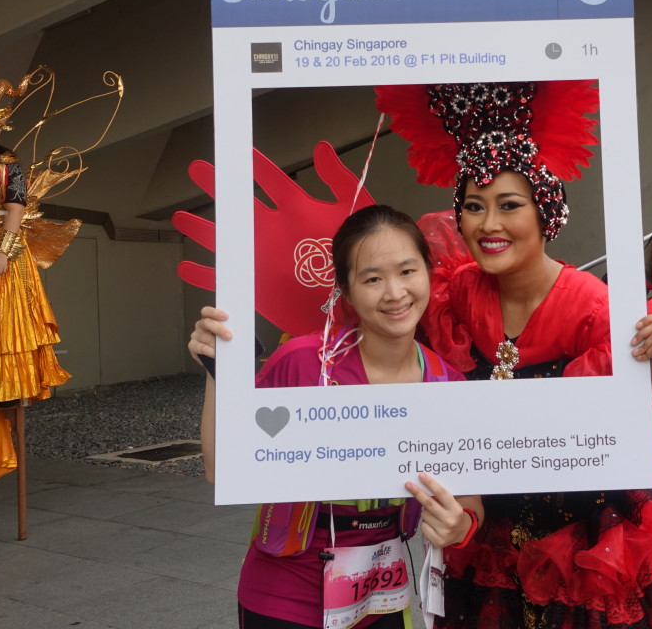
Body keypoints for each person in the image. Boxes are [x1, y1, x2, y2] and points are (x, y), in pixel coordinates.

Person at [379, 80, 652, 629]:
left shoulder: (592, 308)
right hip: (488, 526)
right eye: (473, 206)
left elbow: (638, 453)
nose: (488, 224)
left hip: (586, 537)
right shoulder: (456, 292)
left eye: (509, 205)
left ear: (546, 212)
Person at [190, 205, 484, 629]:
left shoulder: (448, 385)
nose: (395, 293)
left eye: (407, 271)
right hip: (284, 595)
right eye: (372, 279)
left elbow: (470, 496)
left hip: (384, 594)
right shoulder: (301, 362)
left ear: (429, 273)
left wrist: (460, 524)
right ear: (345, 290)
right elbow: (224, 469)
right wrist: (219, 372)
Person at [0, 91, 70, 484]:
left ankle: (4, 387)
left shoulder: (7, 163)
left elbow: (16, 208)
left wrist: (5, 249)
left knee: (2, 323)